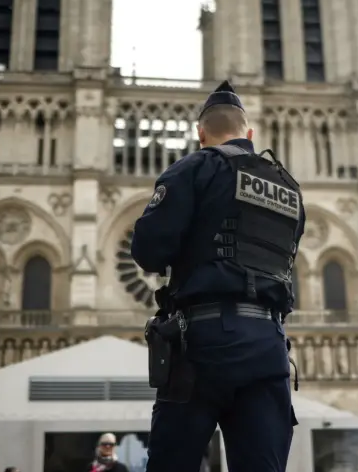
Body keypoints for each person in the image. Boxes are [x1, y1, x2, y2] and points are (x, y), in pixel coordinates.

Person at [132, 81, 305, 472]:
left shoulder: (193, 169)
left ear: (200, 133)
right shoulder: (289, 188)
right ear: (249, 134)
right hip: (269, 345)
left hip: (203, 344)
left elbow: (147, 251)